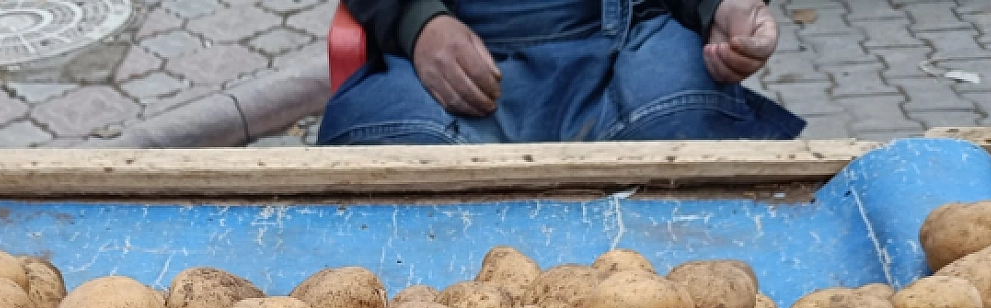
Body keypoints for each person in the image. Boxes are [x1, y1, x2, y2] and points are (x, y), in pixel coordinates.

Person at [319, 0, 802, 146]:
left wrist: (724, 5)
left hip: (626, 46)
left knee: (686, 124)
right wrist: (418, 22)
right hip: (454, 54)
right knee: (395, 145)